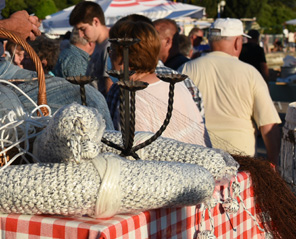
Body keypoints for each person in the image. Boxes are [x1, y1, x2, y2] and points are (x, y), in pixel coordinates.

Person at [179, 18, 281, 163]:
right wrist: (273, 162)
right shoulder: (250, 73)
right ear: (237, 42)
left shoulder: (187, 69)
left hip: (198, 157)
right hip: (241, 159)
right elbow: (268, 125)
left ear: (210, 40)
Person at [107, 20, 210, 147]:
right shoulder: (174, 83)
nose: (110, 56)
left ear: (124, 55)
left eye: (111, 49)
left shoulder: (133, 97)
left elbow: (134, 158)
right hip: (201, 163)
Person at [69, 0, 111, 97]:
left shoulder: (108, 47)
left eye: (83, 29)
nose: (80, 34)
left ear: (95, 21)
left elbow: (109, 86)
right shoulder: (99, 46)